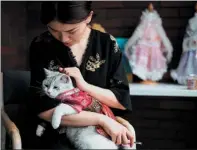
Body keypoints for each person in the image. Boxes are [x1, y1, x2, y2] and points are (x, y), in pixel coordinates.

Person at [28, 1, 133, 149]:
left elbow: (120, 100)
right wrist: (101, 120)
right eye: (53, 30)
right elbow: (42, 108)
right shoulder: (41, 45)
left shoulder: (107, 44)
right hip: (55, 134)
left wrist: (85, 86)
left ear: (88, 17)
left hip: (100, 135)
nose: (63, 39)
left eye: (72, 31)